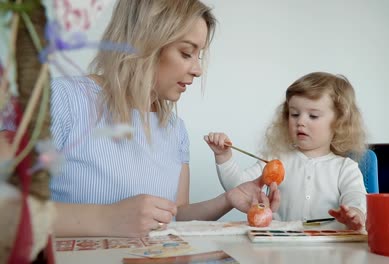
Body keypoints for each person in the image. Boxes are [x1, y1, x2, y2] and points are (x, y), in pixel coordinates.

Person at [49, 0, 279, 238]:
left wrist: (228, 199)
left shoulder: (175, 130)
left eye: (198, 55)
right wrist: (107, 218)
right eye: (186, 53)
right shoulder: (63, 100)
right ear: (143, 43)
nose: (198, 69)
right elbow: (9, 208)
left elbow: (176, 216)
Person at [205, 72, 367, 230]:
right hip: (280, 246)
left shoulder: (345, 168)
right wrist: (223, 156)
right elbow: (238, 188)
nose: (300, 121)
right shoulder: (276, 160)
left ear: (339, 122)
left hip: (330, 249)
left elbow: (355, 197)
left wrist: (355, 213)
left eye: (313, 116)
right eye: (294, 114)